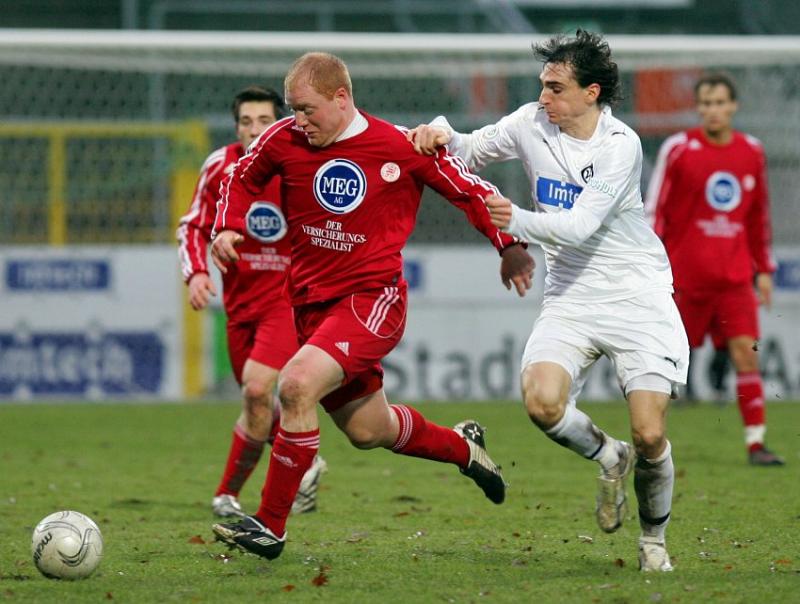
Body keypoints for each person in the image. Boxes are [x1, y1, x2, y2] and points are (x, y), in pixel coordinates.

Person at [209, 52, 535, 561]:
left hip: (372, 301)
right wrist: (227, 222)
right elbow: (242, 177)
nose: (298, 120)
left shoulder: (398, 145)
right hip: (311, 307)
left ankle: (270, 527)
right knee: (368, 431)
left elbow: (470, 191)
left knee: (294, 386)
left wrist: (508, 244)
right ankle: (465, 449)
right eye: (293, 109)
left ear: (342, 98)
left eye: (307, 109)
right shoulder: (284, 139)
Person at [408, 30, 688, 572]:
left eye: (556, 88)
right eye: (542, 85)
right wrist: (438, 130)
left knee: (651, 433)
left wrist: (515, 220)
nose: (544, 98)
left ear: (592, 93)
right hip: (571, 295)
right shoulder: (530, 123)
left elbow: (580, 227)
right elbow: (467, 148)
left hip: (637, 296)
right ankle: (609, 455)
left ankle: (653, 540)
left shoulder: (620, 145)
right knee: (540, 403)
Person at [177, 85, 327, 520]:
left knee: (259, 388)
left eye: (264, 121)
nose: (254, 130)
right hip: (238, 306)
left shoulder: (298, 163)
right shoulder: (220, 165)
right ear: (236, 127)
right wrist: (197, 273)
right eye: (246, 122)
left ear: (278, 122)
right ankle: (287, 469)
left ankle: (250, 497)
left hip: (286, 302)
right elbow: (192, 227)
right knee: (257, 404)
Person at [645, 73, 784, 466]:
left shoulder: (751, 152)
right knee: (668, 364)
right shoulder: (679, 149)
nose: (713, 110)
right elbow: (657, 211)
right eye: (705, 103)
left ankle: (757, 445)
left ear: (733, 106)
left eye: (720, 102)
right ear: (698, 108)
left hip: (735, 277)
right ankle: (651, 445)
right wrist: (652, 267)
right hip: (685, 277)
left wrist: (764, 268)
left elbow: (758, 216)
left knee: (746, 354)